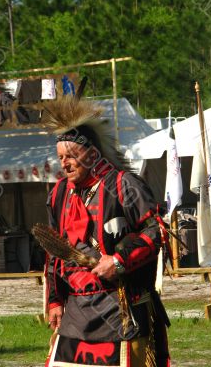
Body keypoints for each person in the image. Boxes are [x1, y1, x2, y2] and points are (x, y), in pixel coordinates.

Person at [43, 97, 170, 367]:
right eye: (60, 158)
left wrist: (119, 261)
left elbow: (157, 230)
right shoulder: (59, 194)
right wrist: (55, 300)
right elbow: (54, 251)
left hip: (120, 308)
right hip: (76, 315)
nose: (64, 164)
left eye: (71, 157)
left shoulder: (124, 185)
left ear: (91, 154)